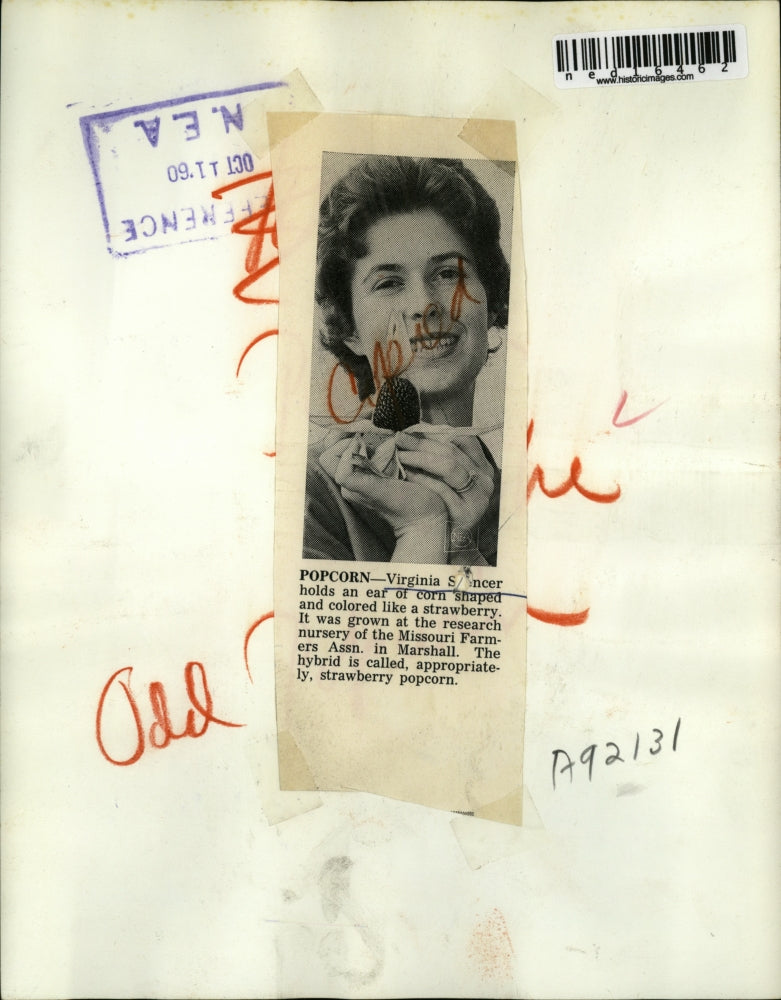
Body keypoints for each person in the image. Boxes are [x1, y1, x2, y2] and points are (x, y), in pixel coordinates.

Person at [304, 155, 510, 566]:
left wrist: (463, 545)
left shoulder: (522, 500)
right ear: (349, 329)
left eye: (449, 273)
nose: (425, 305)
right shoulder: (308, 495)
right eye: (389, 283)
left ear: (489, 303)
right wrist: (422, 529)